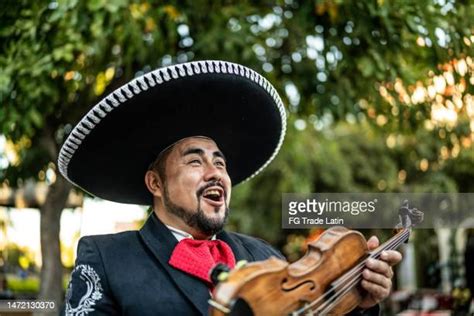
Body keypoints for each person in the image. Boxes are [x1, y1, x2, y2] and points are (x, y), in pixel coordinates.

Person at [59, 60, 401, 315]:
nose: (215, 173)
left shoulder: (266, 257)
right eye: (195, 162)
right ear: (156, 183)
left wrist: (361, 302)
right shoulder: (105, 258)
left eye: (220, 163)